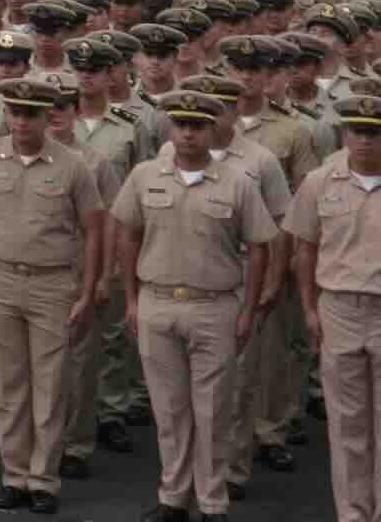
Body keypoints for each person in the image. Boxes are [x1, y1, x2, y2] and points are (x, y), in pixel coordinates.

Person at [117, 88, 283, 522]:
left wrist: (248, 309)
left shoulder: (239, 183)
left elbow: (260, 246)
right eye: (181, 125)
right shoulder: (144, 176)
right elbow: (128, 235)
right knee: (169, 410)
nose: (188, 134)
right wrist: (132, 299)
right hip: (157, 301)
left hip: (215, 306)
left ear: (213, 130)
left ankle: (212, 502)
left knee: (212, 411)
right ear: (170, 129)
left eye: (197, 126)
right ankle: (173, 496)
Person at [0, 74, 103, 513]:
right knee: (9, 385)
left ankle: (44, 479)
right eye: (15, 112)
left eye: (31, 114)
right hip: (0, 279)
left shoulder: (73, 165)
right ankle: (14, 476)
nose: (22, 121)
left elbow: (94, 231)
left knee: (50, 384)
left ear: (49, 117)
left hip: (52, 283)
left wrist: (87, 291)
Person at [292, 100, 381, 522]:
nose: (365, 140)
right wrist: (309, 308)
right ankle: (353, 514)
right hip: (339, 307)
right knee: (347, 424)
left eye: (375, 132)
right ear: (345, 133)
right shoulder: (319, 181)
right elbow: (304, 249)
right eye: (357, 130)